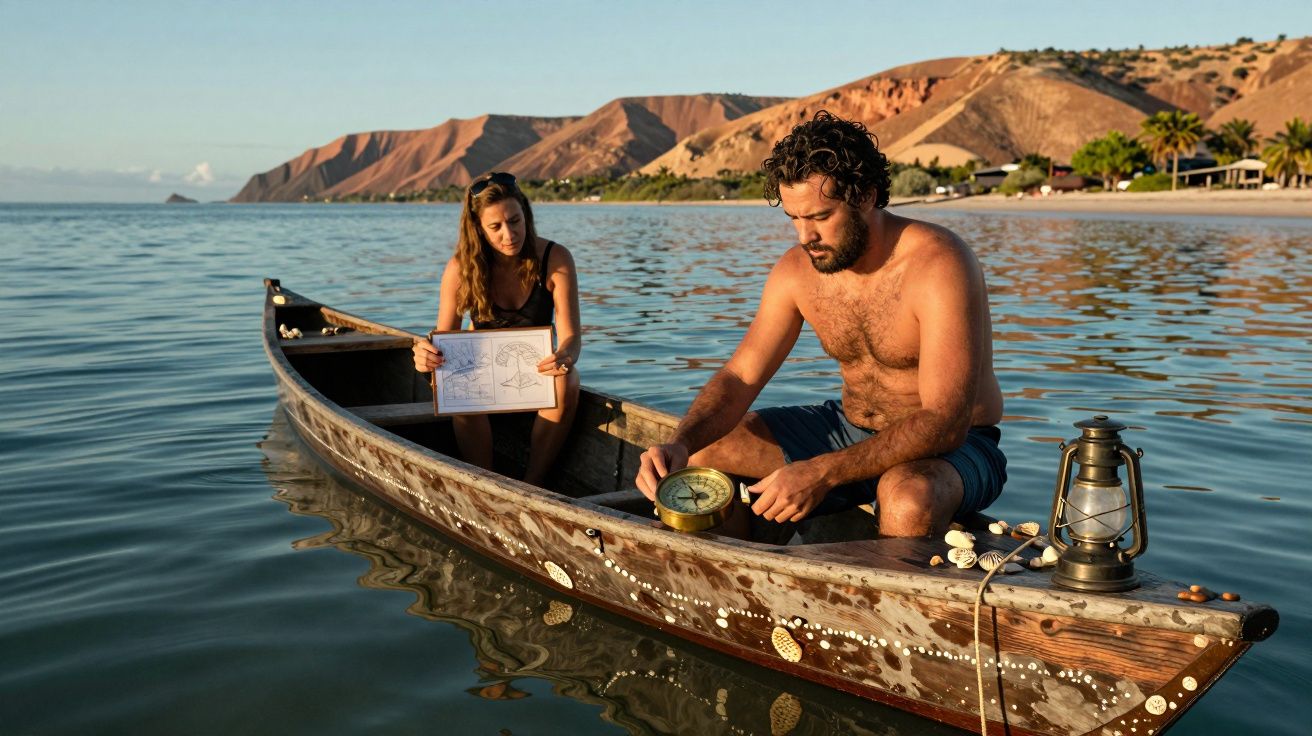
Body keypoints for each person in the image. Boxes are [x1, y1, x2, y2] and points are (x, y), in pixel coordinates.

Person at [635, 112, 1005, 537]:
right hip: (847, 428)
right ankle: (745, 583)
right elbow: (740, 376)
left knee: (907, 499)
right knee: (706, 454)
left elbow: (945, 420)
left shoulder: (939, 264)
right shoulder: (797, 271)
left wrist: (822, 473)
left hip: (958, 446)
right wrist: (680, 442)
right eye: (794, 217)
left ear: (866, 196)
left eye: (820, 216)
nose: (803, 236)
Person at [412, 171, 581, 486]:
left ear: (525, 214)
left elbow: (572, 336)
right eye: (496, 227)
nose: (509, 234)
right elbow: (444, 340)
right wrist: (426, 355)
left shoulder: (555, 258)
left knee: (568, 380)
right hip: (483, 382)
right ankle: (485, 481)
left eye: (515, 221)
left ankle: (534, 483)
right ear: (478, 228)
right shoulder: (460, 269)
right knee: (456, 379)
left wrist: (565, 357)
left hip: (538, 377)